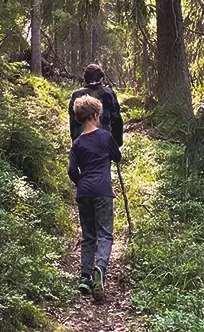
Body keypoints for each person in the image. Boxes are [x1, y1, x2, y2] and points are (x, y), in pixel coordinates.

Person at [68, 94, 121, 300]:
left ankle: (84, 277)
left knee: (88, 236)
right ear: (96, 115)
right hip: (102, 191)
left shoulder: (77, 143)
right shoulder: (105, 137)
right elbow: (117, 156)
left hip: (84, 191)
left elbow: (72, 170)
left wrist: (81, 182)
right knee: (105, 234)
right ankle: (100, 269)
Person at [68, 63, 123, 146]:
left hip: (82, 143)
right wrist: (117, 142)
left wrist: (75, 141)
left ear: (85, 78)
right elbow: (117, 120)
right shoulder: (108, 93)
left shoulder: (76, 95)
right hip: (105, 143)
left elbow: (73, 122)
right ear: (101, 78)